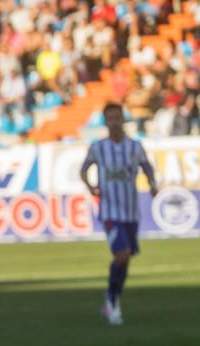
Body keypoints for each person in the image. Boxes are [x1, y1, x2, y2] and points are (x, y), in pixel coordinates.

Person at [81, 102, 159, 325]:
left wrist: (153, 184)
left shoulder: (135, 146)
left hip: (131, 212)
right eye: (110, 118)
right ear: (105, 122)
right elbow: (84, 168)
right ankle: (112, 300)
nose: (114, 122)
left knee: (126, 260)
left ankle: (112, 297)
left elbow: (147, 167)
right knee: (122, 254)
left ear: (123, 120)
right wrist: (90, 186)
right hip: (109, 211)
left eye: (117, 117)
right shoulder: (98, 147)